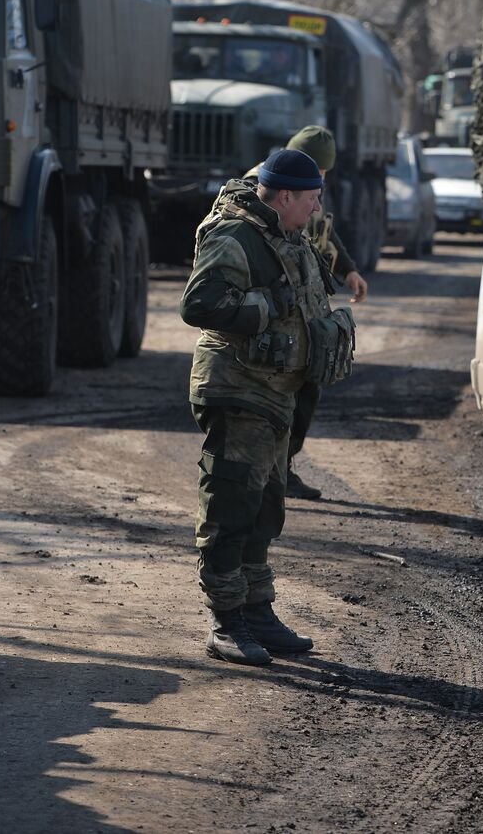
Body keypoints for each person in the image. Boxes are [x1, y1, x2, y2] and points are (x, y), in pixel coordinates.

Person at [181, 148, 358, 665]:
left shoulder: (286, 234)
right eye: (311, 197)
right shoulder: (236, 236)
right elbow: (199, 304)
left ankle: (257, 612)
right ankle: (226, 621)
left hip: (276, 392)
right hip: (238, 389)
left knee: (265, 510)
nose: (317, 206)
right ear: (284, 196)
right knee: (231, 509)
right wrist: (270, 304)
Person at [240, 125, 368, 499]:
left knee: (307, 388)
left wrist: (349, 270)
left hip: (304, 307)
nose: (320, 180)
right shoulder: (263, 187)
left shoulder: (303, 188)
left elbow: (322, 229)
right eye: (317, 169)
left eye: (324, 173)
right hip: (274, 311)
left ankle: (282, 467)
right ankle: (264, 474)